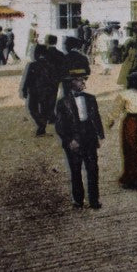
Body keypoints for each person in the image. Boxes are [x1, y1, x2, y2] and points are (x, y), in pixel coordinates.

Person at [52, 64, 104, 210]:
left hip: (89, 136)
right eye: (79, 80)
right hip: (74, 137)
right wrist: (69, 140)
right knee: (76, 170)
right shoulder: (63, 103)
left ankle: (94, 200)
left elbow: (96, 118)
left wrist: (99, 135)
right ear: (71, 83)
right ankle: (78, 199)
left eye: (84, 79)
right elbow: (60, 125)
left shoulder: (91, 98)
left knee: (93, 169)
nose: (83, 82)